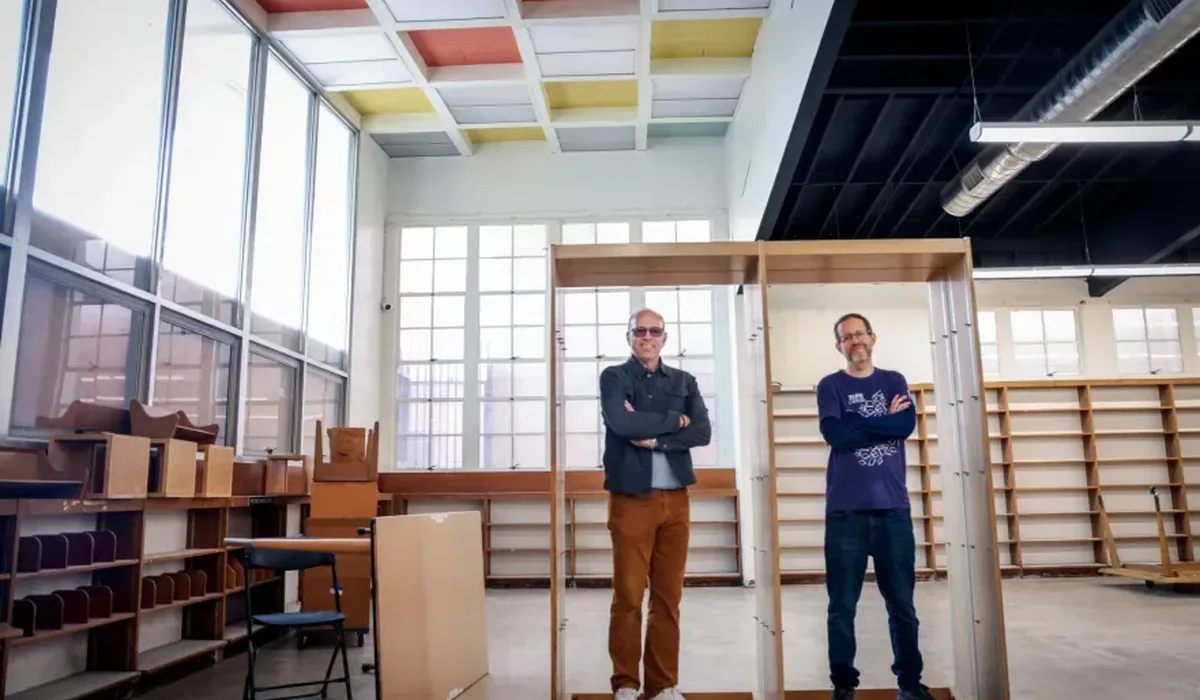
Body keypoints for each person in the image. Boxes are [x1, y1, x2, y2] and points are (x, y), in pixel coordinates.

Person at [815, 313, 935, 700]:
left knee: (902, 605)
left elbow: (903, 429)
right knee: (841, 607)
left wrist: (858, 424)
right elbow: (834, 434)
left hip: (892, 511)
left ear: (873, 338)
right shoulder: (830, 385)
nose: (855, 342)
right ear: (839, 346)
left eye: (860, 334)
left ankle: (910, 684)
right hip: (845, 513)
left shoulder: (893, 381)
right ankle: (844, 685)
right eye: (847, 337)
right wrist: (884, 419)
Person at [598, 308, 712, 700]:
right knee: (629, 597)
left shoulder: (684, 380)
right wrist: (674, 419)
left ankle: (663, 685)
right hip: (632, 499)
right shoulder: (615, 377)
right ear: (628, 336)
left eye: (654, 331)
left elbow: (703, 431)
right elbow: (621, 424)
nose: (647, 337)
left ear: (665, 337)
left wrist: (658, 436)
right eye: (639, 331)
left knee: (668, 598)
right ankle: (626, 684)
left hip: (676, 501)